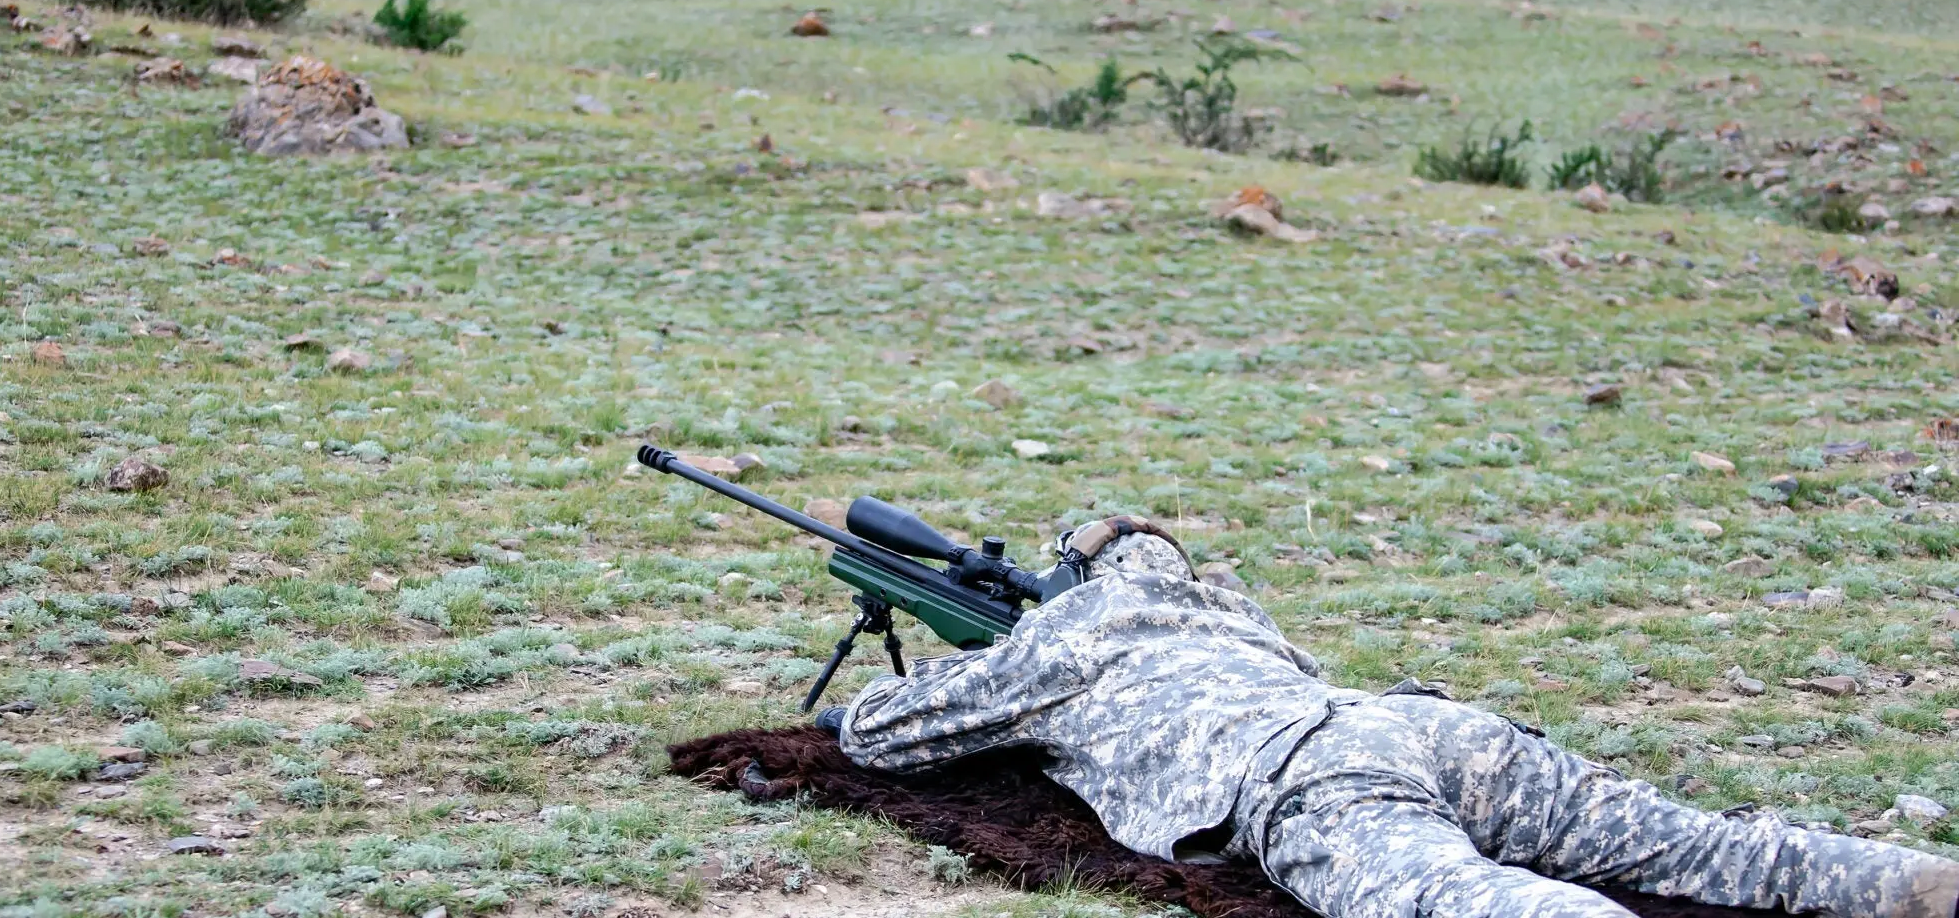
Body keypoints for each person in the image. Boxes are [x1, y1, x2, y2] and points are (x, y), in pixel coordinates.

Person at [823, 518, 1959, 918]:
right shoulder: (1232, 610)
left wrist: (983, 658)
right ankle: (1898, 875)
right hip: (1435, 728)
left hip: (1307, 774)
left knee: (1434, 894)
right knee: (1701, 845)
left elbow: (878, 737)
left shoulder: (1063, 642)